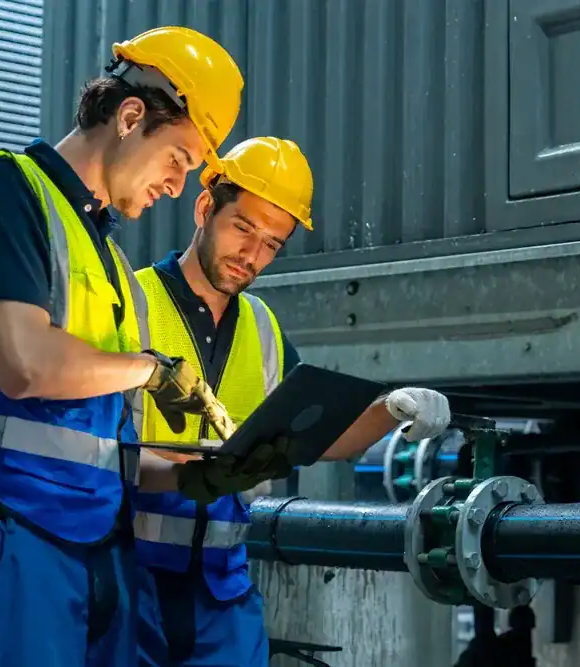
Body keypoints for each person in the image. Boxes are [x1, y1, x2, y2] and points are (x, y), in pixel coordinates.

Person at [0, 27, 246, 667]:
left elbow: (94, 447)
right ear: (131, 117)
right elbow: (22, 365)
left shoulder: (112, 264)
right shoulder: (2, 193)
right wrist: (153, 372)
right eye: (179, 161)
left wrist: (199, 474)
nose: (178, 186)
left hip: (101, 549)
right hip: (13, 539)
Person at [129, 135, 453, 667]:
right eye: (243, 228)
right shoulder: (133, 302)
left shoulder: (261, 326)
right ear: (205, 207)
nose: (252, 256)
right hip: (130, 578)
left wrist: (391, 410)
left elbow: (320, 437)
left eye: (272, 244)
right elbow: (91, 448)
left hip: (222, 590)